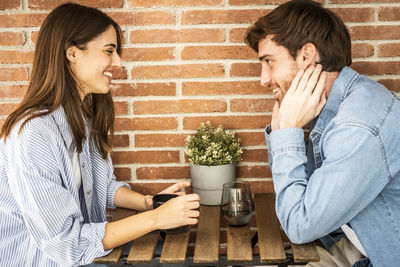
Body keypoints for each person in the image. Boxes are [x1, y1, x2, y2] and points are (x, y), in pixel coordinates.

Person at [0, 3, 200, 266]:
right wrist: (156, 220)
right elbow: (66, 244)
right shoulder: (33, 133)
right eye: (109, 51)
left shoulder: (83, 115)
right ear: (72, 53)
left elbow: (101, 187)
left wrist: (150, 203)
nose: (118, 62)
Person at [245, 0, 400, 266]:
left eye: (269, 61)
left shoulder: (357, 127)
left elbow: (299, 224)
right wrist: (284, 128)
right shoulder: (333, 106)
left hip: (379, 254)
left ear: (306, 55)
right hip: (355, 243)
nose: (263, 79)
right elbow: (302, 201)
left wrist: (288, 132)